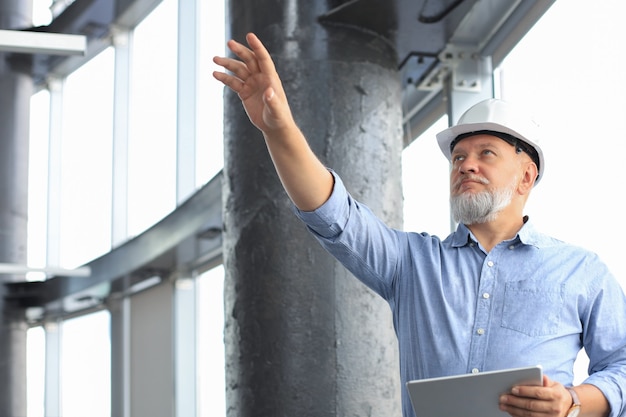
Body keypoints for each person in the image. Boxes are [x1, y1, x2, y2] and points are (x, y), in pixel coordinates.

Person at [213, 32, 626, 417]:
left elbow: (622, 366)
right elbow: (333, 213)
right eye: (459, 157)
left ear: (526, 176)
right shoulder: (412, 264)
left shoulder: (581, 271)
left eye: (486, 153)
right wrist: (278, 128)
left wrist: (572, 403)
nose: (466, 165)